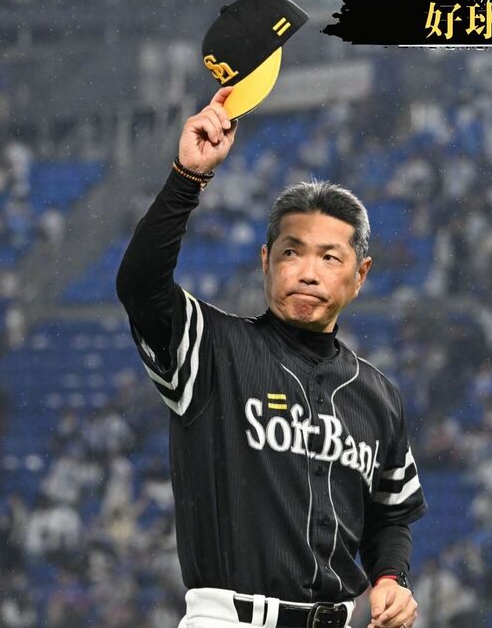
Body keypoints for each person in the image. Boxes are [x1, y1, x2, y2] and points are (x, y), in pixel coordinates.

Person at [116, 87, 427, 628]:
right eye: (291, 252)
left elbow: (390, 514)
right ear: (265, 261)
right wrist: (188, 178)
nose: (307, 272)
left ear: (361, 275)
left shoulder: (378, 396)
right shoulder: (212, 349)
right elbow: (140, 286)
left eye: (329, 258)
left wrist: (389, 578)